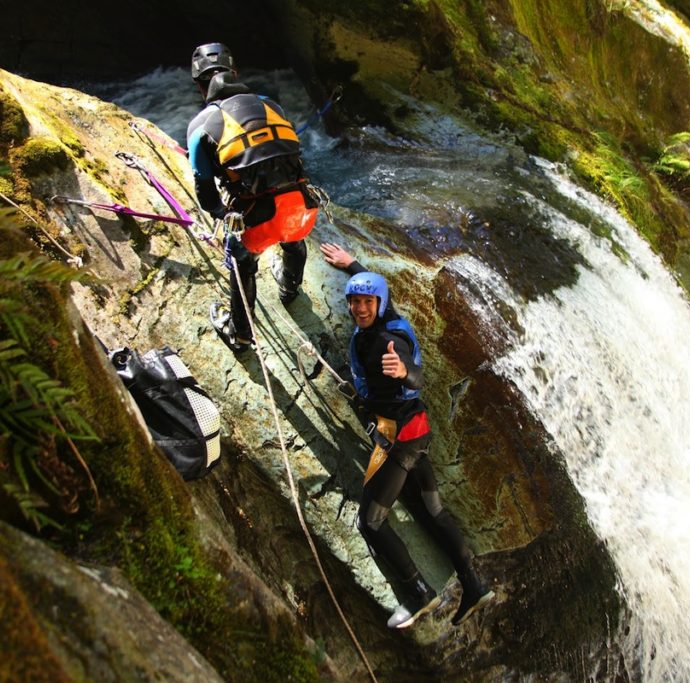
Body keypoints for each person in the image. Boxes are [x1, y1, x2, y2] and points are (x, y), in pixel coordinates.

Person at [321, 242, 496, 629]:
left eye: (367, 302)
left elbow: (416, 373)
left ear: (378, 304)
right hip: (417, 432)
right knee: (432, 511)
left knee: (371, 522)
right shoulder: (387, 317)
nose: (360, 309)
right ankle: (475, 584)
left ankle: (417, 594)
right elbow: (371, 289)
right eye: (356, 302)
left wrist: (404, 373)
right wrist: (352, 265)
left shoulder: (388, 342)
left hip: (399, 440)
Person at [186, 42, 319, 351]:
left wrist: (224, 214)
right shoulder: (272, 105)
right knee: (292, 236)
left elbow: (206, 195)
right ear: (235, 74)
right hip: (303, 211)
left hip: (259, 223)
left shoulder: (199, 127)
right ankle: (290, 288)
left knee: (241, 259)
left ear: (199, 86)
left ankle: (241, 335)